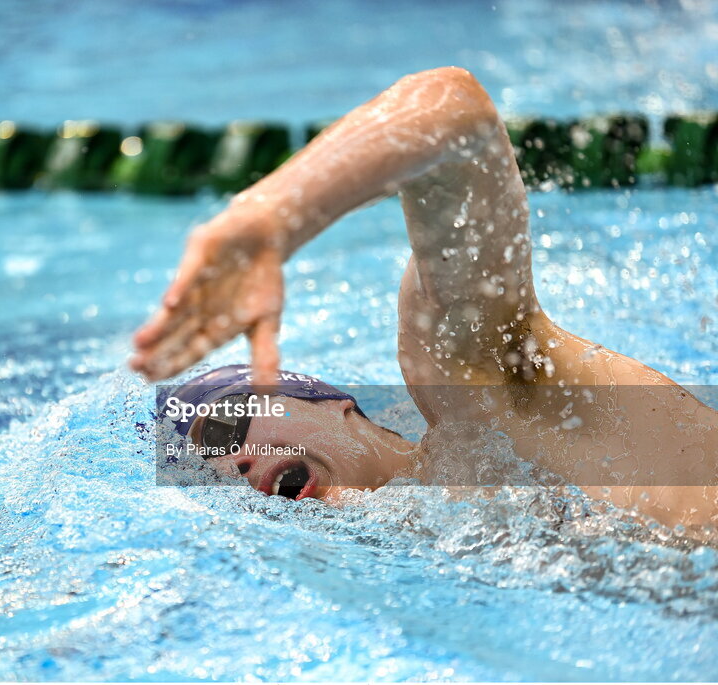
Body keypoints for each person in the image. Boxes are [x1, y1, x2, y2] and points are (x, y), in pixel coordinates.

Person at [131, 67, 718, 533]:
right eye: (207, 486)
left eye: (220, 431)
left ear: (323, 402)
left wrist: (267, 219)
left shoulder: (471, 389)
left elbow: (456, 113)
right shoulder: (425, 553)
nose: (227, 471)